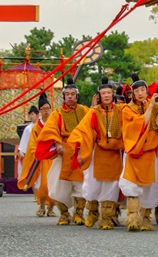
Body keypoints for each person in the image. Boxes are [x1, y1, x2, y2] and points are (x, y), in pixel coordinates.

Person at [118, 73, 158, 232]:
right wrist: (150, 106)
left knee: (151, 186)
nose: (140, 93)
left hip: (151, 153)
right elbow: (140, 124)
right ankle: (132, 218)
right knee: (131, 185)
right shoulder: (126, 109)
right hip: (134, 153)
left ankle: (145, 218)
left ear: (146, 91)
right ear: (132, 93)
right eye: (136, 91)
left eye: (143, 89)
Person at [68, 77, 124, 229]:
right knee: (93, 184)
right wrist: (79, 149)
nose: (106, 95)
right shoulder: (93, 112)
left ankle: (106, 218)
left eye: (109, 93)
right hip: (97, 153)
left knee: (112, 185)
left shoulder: (121, 110)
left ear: (112, 94)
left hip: (114, 153)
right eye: (103, 93)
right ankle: (92, 212)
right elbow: (82, 130)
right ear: (99, 95)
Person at [35, 75, 89, 226]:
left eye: (72, 94)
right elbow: (50, 130)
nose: (70, 97)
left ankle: (79, 214)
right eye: (67, 94)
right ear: (64, 96)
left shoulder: (85, 110)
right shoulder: (57, 113)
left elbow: (91, 128)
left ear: (77, 96)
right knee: (59, 184)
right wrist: (58, 144)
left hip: (80, 152)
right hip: (64, 152)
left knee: (81, 184)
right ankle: (64, 214)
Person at [17, 93, 55, 217]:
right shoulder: (35, 128)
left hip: (53, 157)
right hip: (41, 159)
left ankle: (51, 208)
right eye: (43, 109)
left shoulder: (54, 124)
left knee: (53, 183)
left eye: (47, 108)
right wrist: (38, 152)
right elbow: (32, 144)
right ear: (39, 111)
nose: (46, 111)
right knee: (41, 184)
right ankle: (42, 206)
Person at [17, 105, 40, 177]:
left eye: (33, 114)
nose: (31, 116)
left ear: (37, 115)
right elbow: (24, 143)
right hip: (31, 154)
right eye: (30, 114)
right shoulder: (28, 129)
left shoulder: (42, 126)